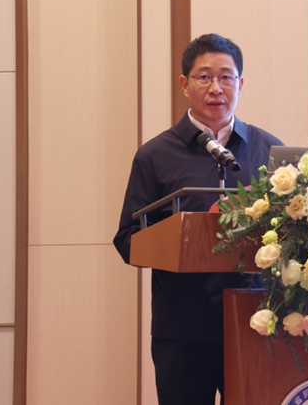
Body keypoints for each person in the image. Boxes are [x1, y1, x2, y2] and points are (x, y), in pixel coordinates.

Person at [113, 33, 284, 405]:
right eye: (204, 77)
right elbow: (127, 240)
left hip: (256, 321)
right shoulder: (155, 155)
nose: (216, 88)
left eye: (226, 77)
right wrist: (187, 235)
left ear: (241, 84)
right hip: (183, 328)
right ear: (184, 84)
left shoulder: (270, 151)